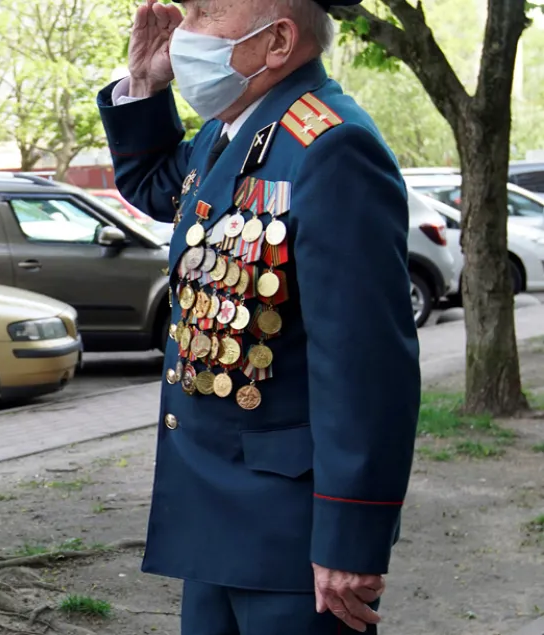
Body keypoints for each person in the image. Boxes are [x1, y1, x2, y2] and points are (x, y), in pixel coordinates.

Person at [96, 0, 420, 632]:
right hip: (214, 510)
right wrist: (143, 84)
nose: (182, 35)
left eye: (204, 16)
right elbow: (161, 187)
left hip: (288, 532)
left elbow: (365, 367)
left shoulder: (332, 145)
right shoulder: (234, 127)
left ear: (276, 42)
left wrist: (350, 538)